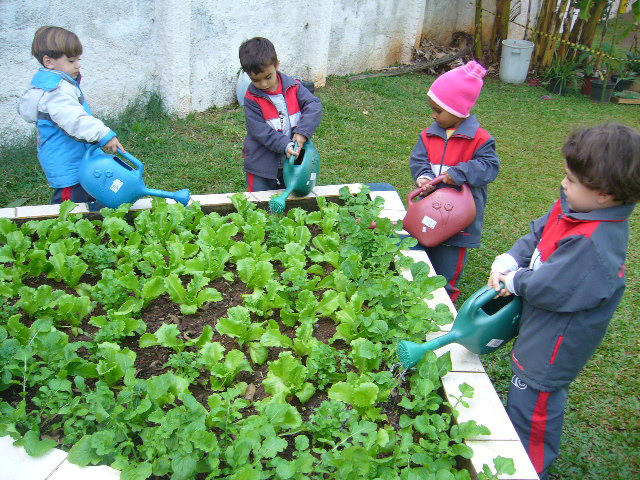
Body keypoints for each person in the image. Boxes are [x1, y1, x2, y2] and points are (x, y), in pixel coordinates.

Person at [487, 123, 640, 479]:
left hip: (555, 345)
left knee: (534, 404)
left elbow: (549, 288)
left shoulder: (593, 243)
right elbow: (541, 232)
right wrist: (512, 257)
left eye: (571, 179)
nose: (564, 183)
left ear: (603, 193)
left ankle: (529, 467)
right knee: (524, 389)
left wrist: (514, 279)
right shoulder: (575, 206)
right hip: (541, 328)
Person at [409, 60, 500, 302]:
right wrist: (424, 177)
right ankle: (418, 298)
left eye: (439, 111)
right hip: (432, 211)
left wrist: (459, 173)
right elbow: (419, 160)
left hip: (460, 221)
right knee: (424, 253)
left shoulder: (480, 139)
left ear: (459, 110)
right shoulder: (429, 134)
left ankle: (444, 304)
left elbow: (490, 167)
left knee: (447, 268)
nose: (433, 115)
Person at [18, 26, 125, 204]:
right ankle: (63, 230)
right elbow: (75, 120)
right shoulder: (54, 91)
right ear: (48, 61)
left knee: (91, 193)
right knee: (69, 207)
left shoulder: (57, 85)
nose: (78, 65)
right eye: (71, 60)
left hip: (76, 159)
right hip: (67, 163)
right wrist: (103, 135)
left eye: (78, 59)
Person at [239, 37, 322, 192]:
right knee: (259, 201)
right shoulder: (252, 99)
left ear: (277, 65)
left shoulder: (294, 87)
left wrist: (302, 132)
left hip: (291, 160)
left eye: (268, 77)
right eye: (256, 80)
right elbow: (260, 132)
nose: (264, 84)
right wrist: (286, 144)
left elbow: (314, 105)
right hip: (261, 164)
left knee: (288, 198)